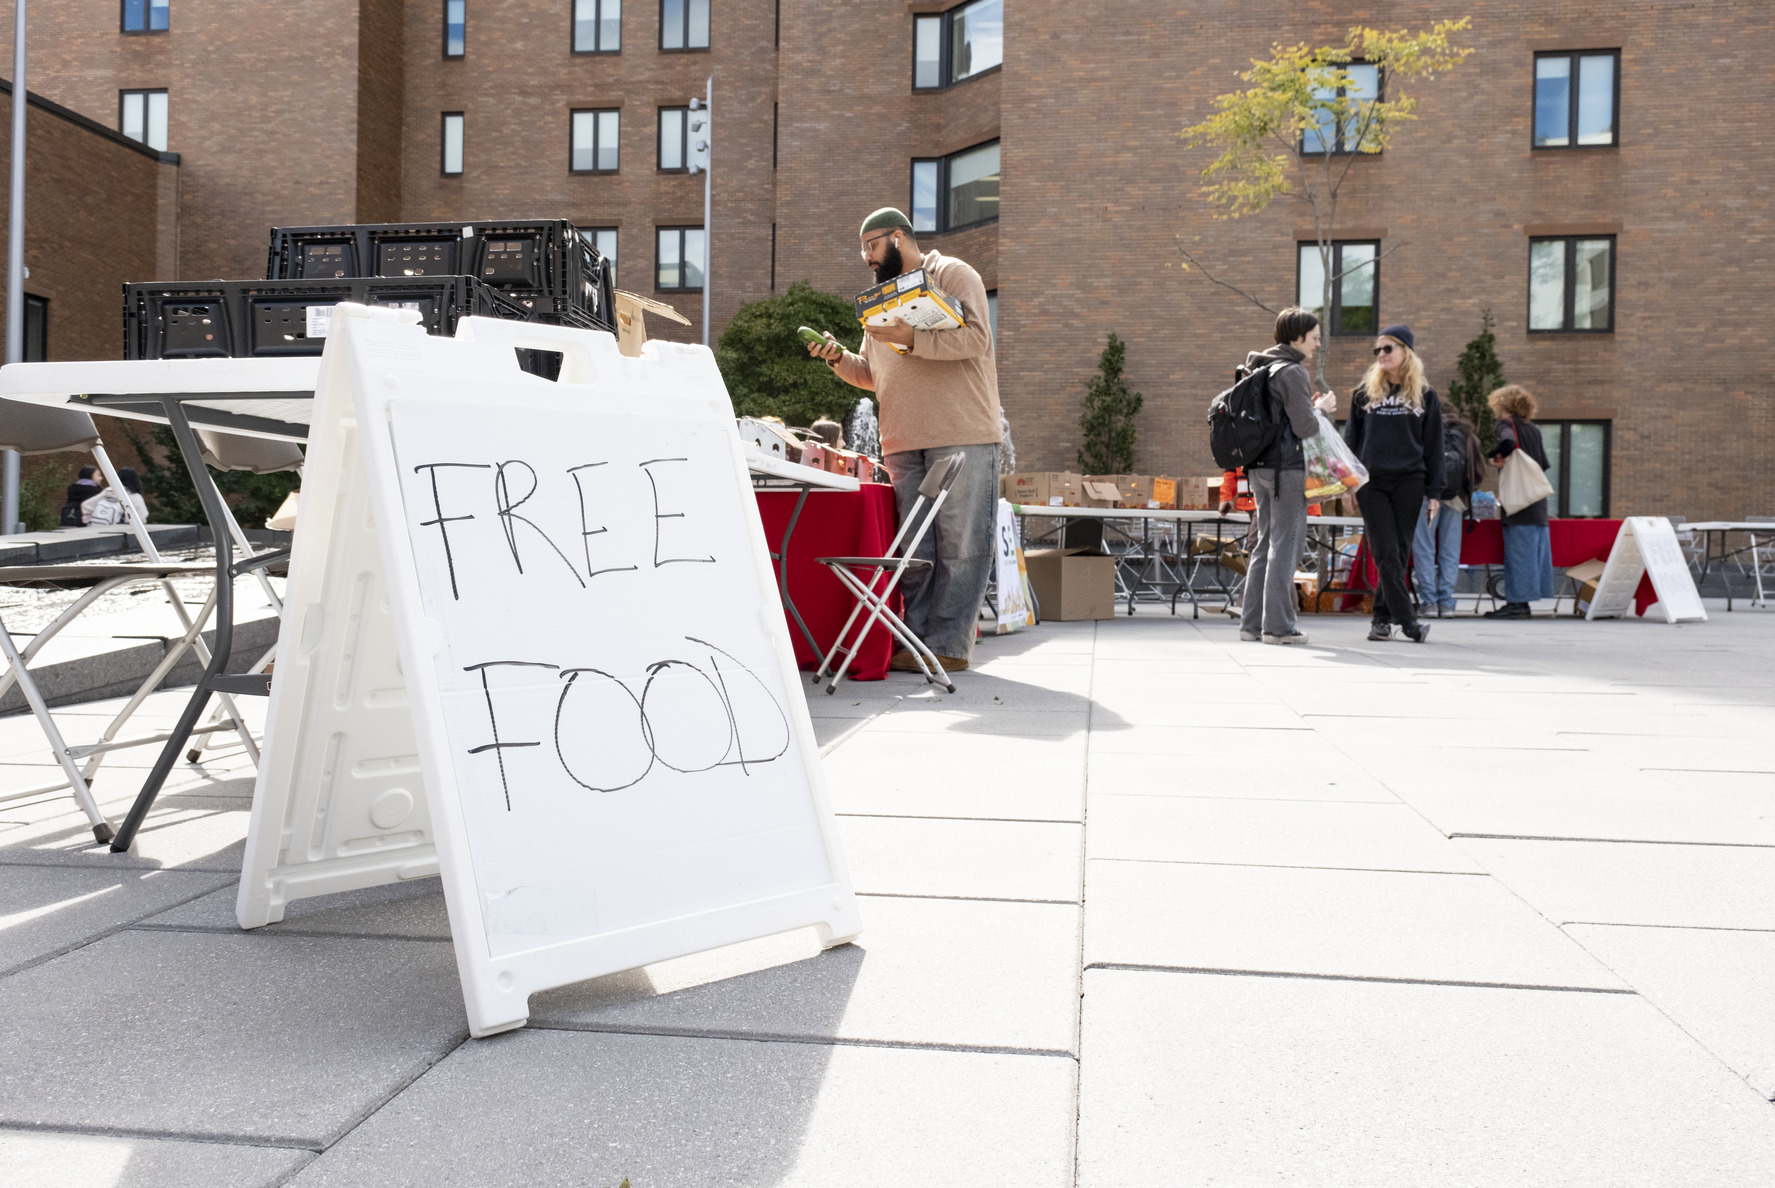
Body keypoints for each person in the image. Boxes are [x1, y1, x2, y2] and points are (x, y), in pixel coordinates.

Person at [806, 207, 1000, 672]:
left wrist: (911, 337)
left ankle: (950, 647)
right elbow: (876, 375)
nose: (867, 257)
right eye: (863, 250)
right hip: (900, 438)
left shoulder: (952, 273)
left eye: (871, 246)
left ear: (897, 237)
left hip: (962, 432)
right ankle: (917, 642)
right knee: (914, 550)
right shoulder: (878, 300)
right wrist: (836, 357)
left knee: (961, 544)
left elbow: (976, 338)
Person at [1237, 307, 1337, 646]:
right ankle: (1278, 628)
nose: (1318, 344)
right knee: (1284, 545)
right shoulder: (1292, 371)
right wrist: (1321, 409)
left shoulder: (1258, 366)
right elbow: (1305, 427)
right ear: (1297, 337)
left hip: (1259, 469)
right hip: (1287, 470)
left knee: (1264, 544)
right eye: (1315, 338)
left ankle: (1250, 625)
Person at [1344, 325, 1443, 643]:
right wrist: (1348, 484)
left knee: (1399, 553)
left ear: (1406, 352)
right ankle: (1409, 622)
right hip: (1371, 483)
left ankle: (1381, 621)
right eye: (1378, 350)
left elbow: (1434, 445)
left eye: (1388, 348)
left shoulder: (1425, 396)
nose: (1381, 354)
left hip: (1410, 482)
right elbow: (1351, 443)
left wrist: (1434, 492)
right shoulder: (1364, 393)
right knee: (1385, 550)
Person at [1483, 384, 1554, 619]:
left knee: (1517, 553)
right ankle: (1521, 602)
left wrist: (1494, 456)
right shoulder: (1532, 428)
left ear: (1501, 403)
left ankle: (1517, 604)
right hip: (1536, 499)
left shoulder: (1505, 424)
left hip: (1518, 502)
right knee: (1532, 553)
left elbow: (1508, 443)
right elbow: (1542, 463)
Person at [1412, 407, 1486, 617]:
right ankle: (1446, 603)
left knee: (1424, 548)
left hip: (1425, 495)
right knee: (1450, 551)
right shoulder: (1465, 433)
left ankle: (1429, 601)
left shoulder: (1424, 429)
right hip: (1455, 498)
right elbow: (1478, 470)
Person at [81, 466, 148, 527]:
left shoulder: (108, 492)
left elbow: (85, 506)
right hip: (121, 534)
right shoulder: (135, 497)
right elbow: (142, 518)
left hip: (97, 531)